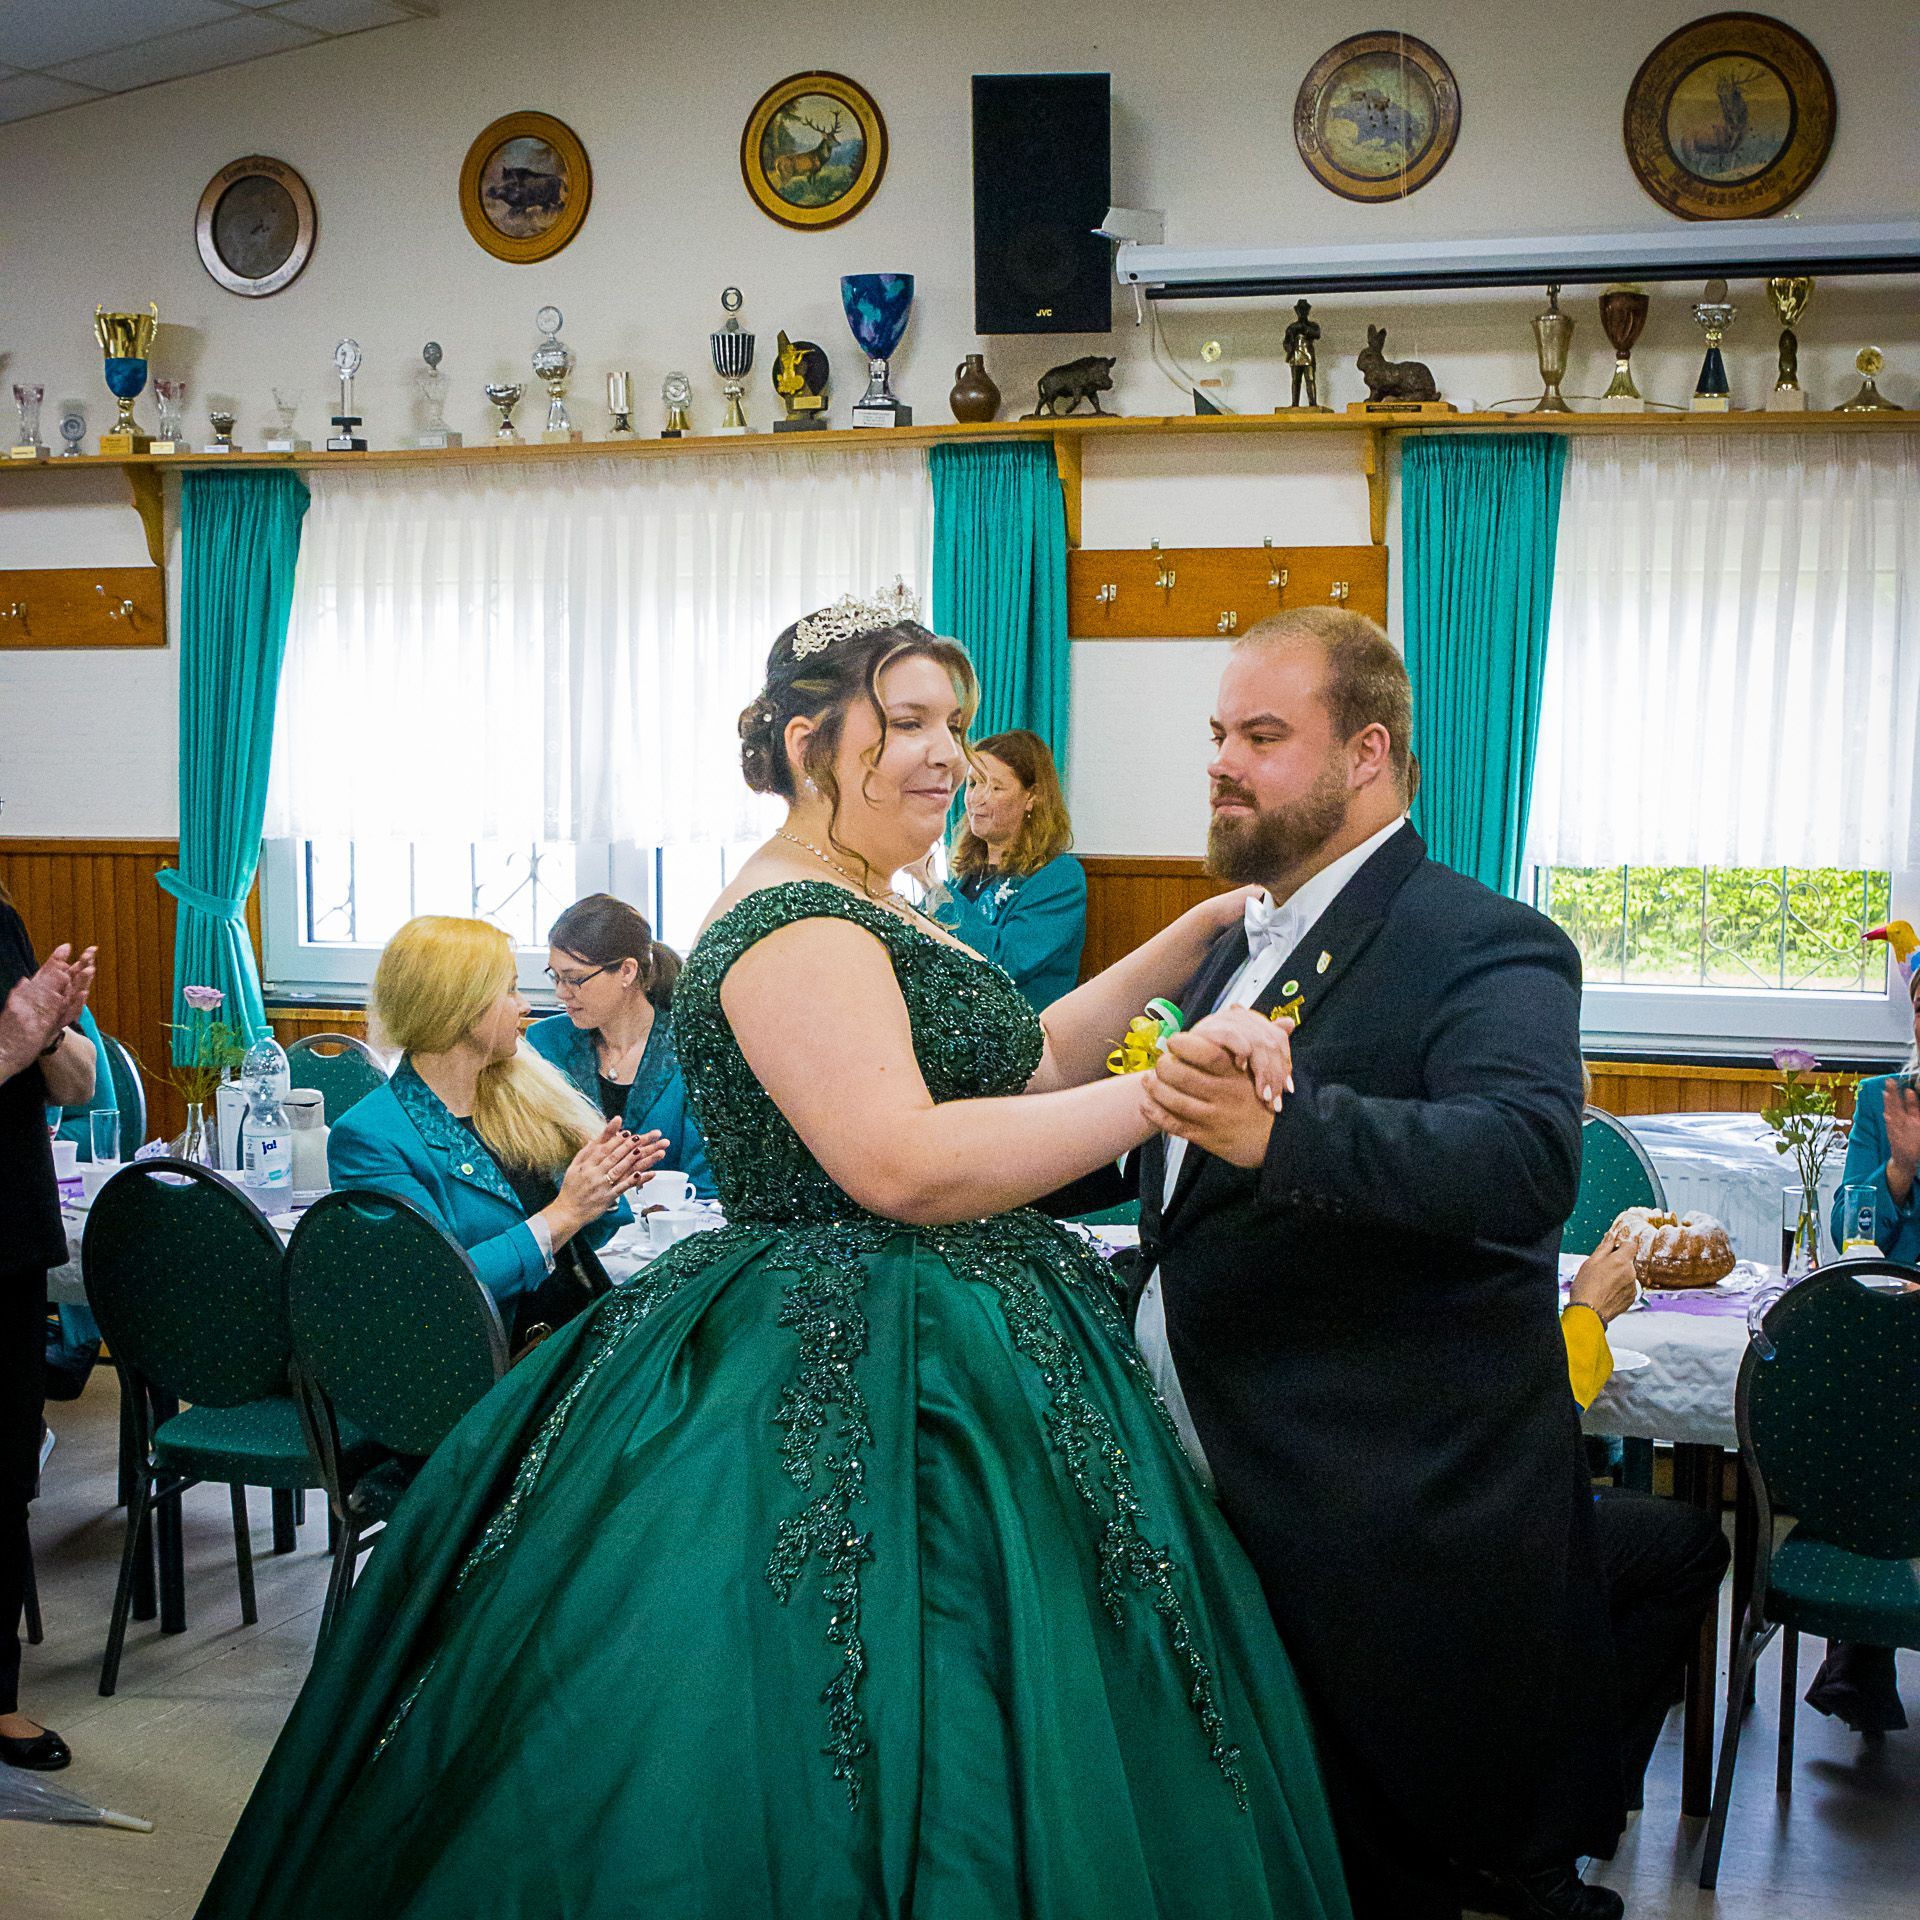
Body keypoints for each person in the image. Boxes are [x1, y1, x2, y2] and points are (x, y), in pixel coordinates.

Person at [196, 594, 1351, 1920]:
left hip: (969, 1322)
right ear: (810, 741)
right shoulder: (796, 921)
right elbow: (902, 1165)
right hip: (843, 1345)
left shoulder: (876, 902)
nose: (948, 755)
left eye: (955, 724)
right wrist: (1167, 1096)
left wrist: (1186, 940)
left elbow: (1026, 1062)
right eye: (907, 722)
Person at [1134, 607, 1626, 1920]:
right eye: (1219, 734)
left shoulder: (1484, 936)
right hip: (1241, 1493)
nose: (1221, 763)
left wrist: (1285, 1132)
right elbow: (1183, 1171)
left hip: (1383, 1532)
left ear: (1368, 753)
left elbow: (1524, 1159)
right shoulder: (1242, 940)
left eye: (1262, 736)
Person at [327, 916, 664, 1351]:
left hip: (574, 1332)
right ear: (460, 1007)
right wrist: (566, 1212)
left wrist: (604, 1184)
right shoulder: (370, 1137)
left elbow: (579, 1245)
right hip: (497, 1364)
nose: (524, 1005)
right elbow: (434, 1289)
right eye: (509, 989)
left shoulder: (520, 1095)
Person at [1561, 1231, 1732, 1811]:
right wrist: (1588, 1315)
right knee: (1693, 1547)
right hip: (1466, 1528)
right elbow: (1542, 1422)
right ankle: (1575, 1799)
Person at [1807, 942, 1920, 1736]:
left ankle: (1860, 1647)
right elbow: (1849, 1227)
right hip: (1890, 1328)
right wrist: (1900, 1172)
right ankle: (1862, 1640)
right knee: (1853, 1382)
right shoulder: (1884, 1098)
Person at [0, 887, 96, 1774]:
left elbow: (78, 1084)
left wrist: (54, 1032)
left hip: (13, 1238)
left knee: (7, 1479)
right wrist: (13, 1043)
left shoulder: (2, 920)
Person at [526, 893, 715, 1197]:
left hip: (672, 1222)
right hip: (572, 1221)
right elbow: (533, 1165)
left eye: (574, 979)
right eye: (555, 977)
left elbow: (707, 1187)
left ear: (627, 971)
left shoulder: (694, 1048)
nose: (561, 992)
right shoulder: (544, 1043)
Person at [927, 727, 1086, 1011]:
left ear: (1032, 797)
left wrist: (930, 884)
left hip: (1017, 1028)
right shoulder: (967, 873)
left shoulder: (1061, 877)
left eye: (995, 787)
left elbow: (1005, 963)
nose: (976, 798)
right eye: (973, 784)